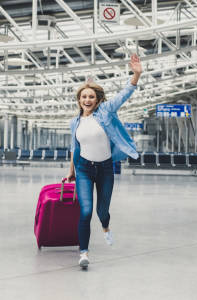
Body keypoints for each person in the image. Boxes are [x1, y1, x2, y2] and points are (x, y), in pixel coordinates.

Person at [65, 54, 142, 268]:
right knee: (86, 211)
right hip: (83, 169)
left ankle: (106, 227)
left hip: (106, 169)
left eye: (91, 97)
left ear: (98, 100)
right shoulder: (74, 122)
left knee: (102, 212)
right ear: (79, 100)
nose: (87, 100)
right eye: (84, 97)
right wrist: (71, 171)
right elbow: (75, 147)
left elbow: (125, 93)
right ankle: (84, 253)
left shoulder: (106, 112)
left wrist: (136, 74)